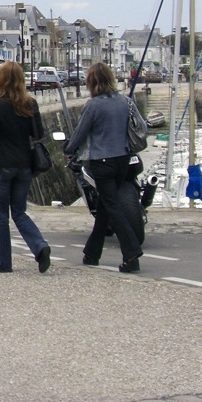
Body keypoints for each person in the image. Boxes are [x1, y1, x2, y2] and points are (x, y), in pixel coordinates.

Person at [64, 62, 146, 273]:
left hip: (101, 162)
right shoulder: (124, 102)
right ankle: (92, 253)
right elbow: (141, 127)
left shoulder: (93, 105)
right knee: (104, 207)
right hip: (122, 160)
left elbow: (81, 132)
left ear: (91, 82)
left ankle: (131, 253)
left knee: (113, 207)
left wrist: (69, 149)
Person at [0, 62, 51, 274]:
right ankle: (39, 246)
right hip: (24, 165)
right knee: (19, 212)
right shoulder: (30, 104)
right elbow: (38, 133)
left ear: (0, 80)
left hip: (2, 165)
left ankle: (4, 262)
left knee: (2, 215)